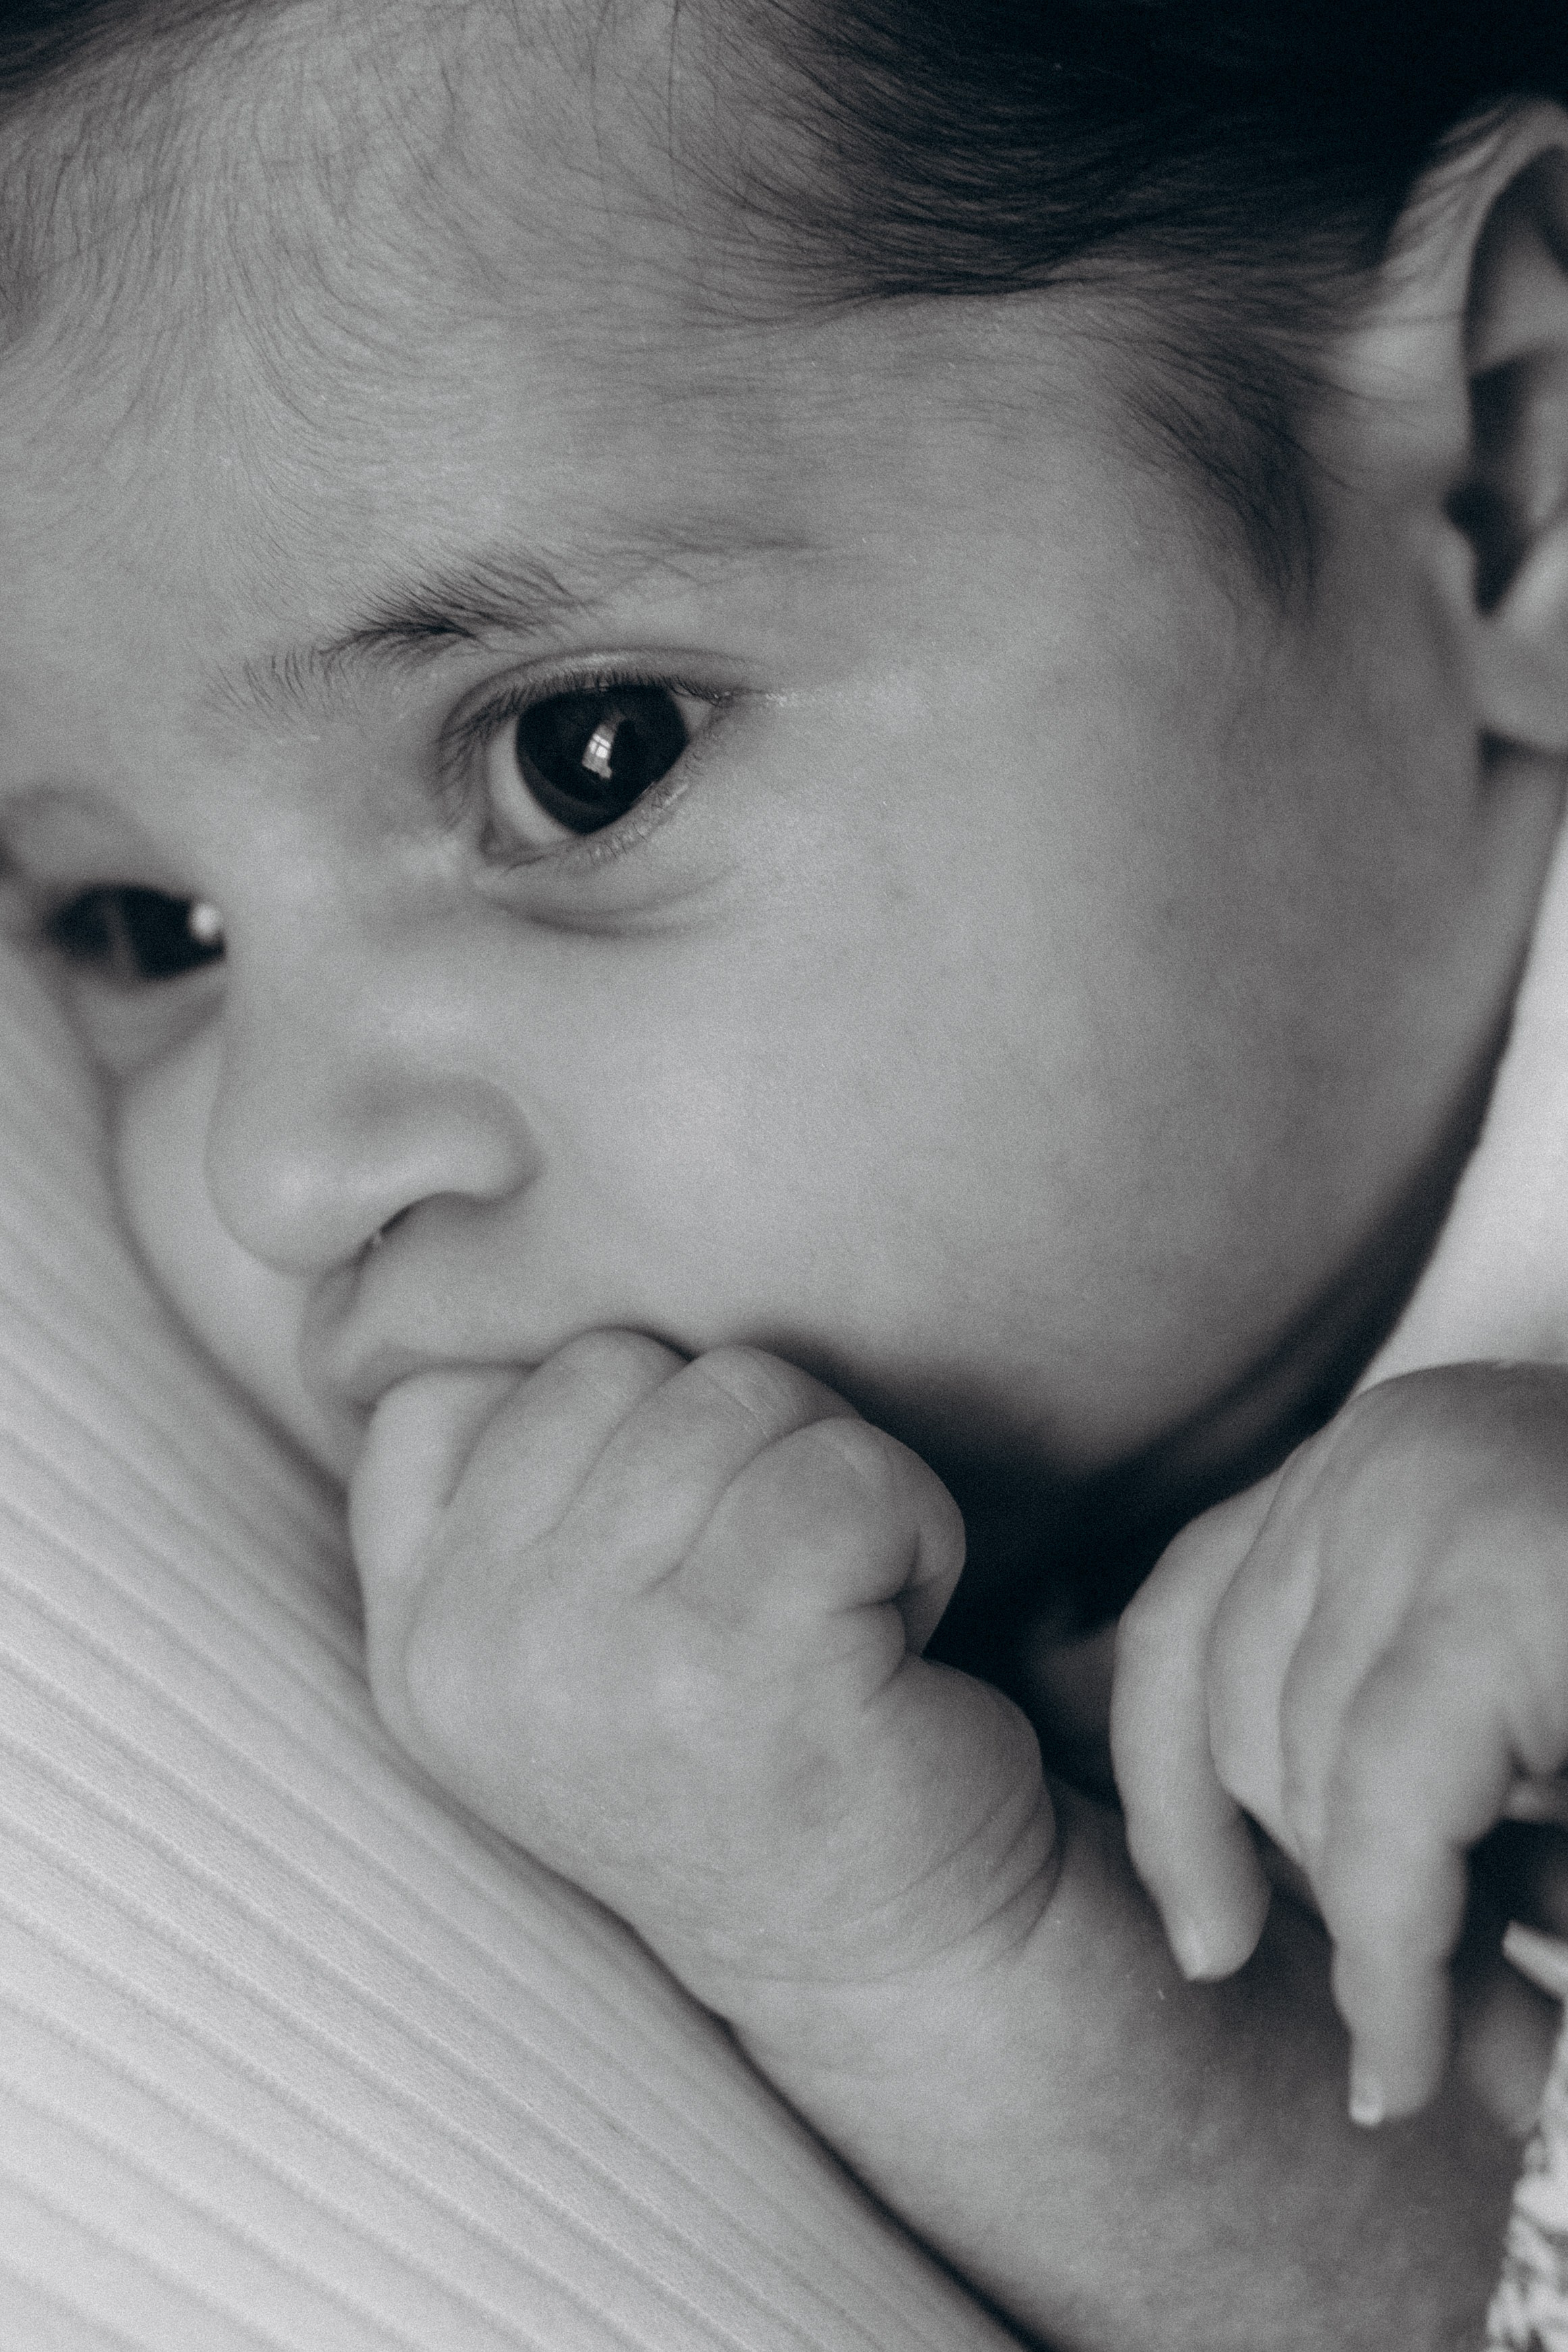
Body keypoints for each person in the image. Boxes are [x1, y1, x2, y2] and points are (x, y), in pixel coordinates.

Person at [3, 0, 1568, 2341]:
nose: (286, 1168)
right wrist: (922, 1947)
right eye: (150, 934)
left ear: (1507, 476)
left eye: (584, 753)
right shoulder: (887, 1684)